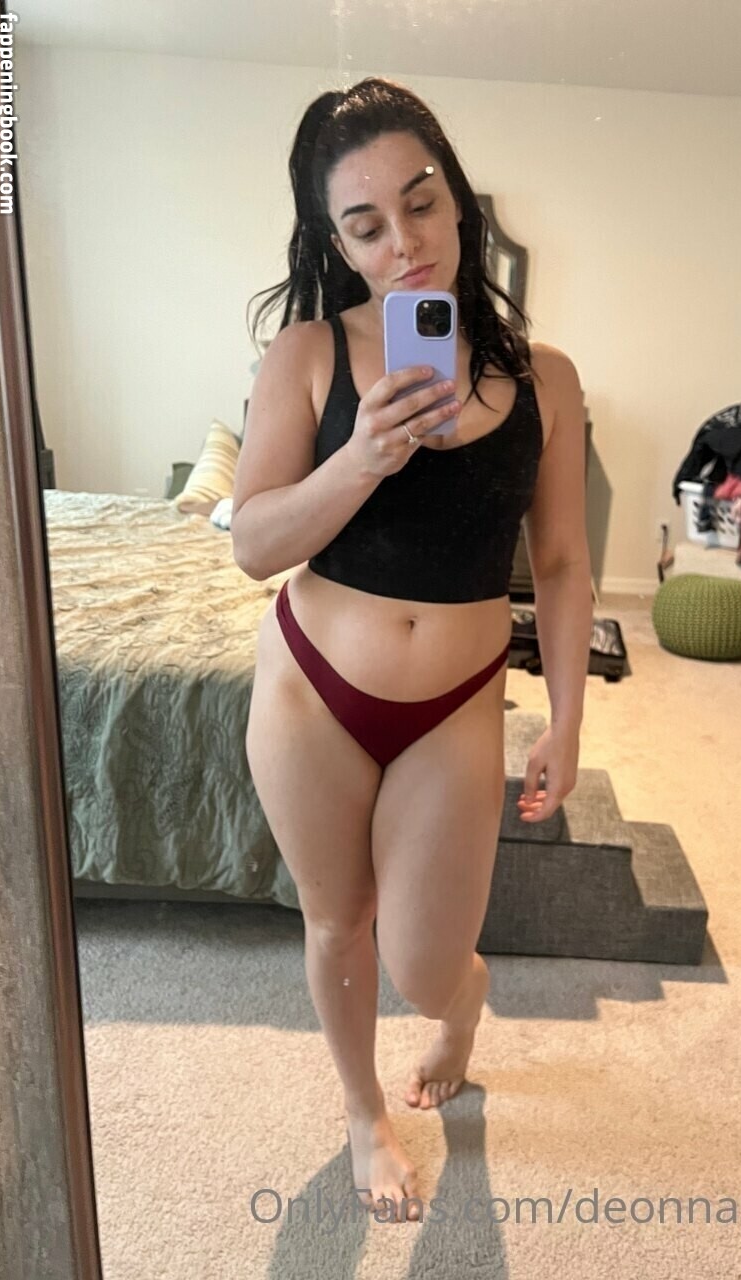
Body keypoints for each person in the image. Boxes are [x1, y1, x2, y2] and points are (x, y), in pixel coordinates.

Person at [233, 77, 592, 1224]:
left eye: (422, 203)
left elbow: (565, 565)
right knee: (336, 920)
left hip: (457, 701)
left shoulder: (545, 378)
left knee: (428, 960)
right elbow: (252, 542)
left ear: (459, 202)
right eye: (367, 225)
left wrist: (569, 717)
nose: (405, 243)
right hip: (314, 687)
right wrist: (361, 460)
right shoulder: (306, 354)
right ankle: (362, 1111)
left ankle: (461, 1008)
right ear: (336, 244)